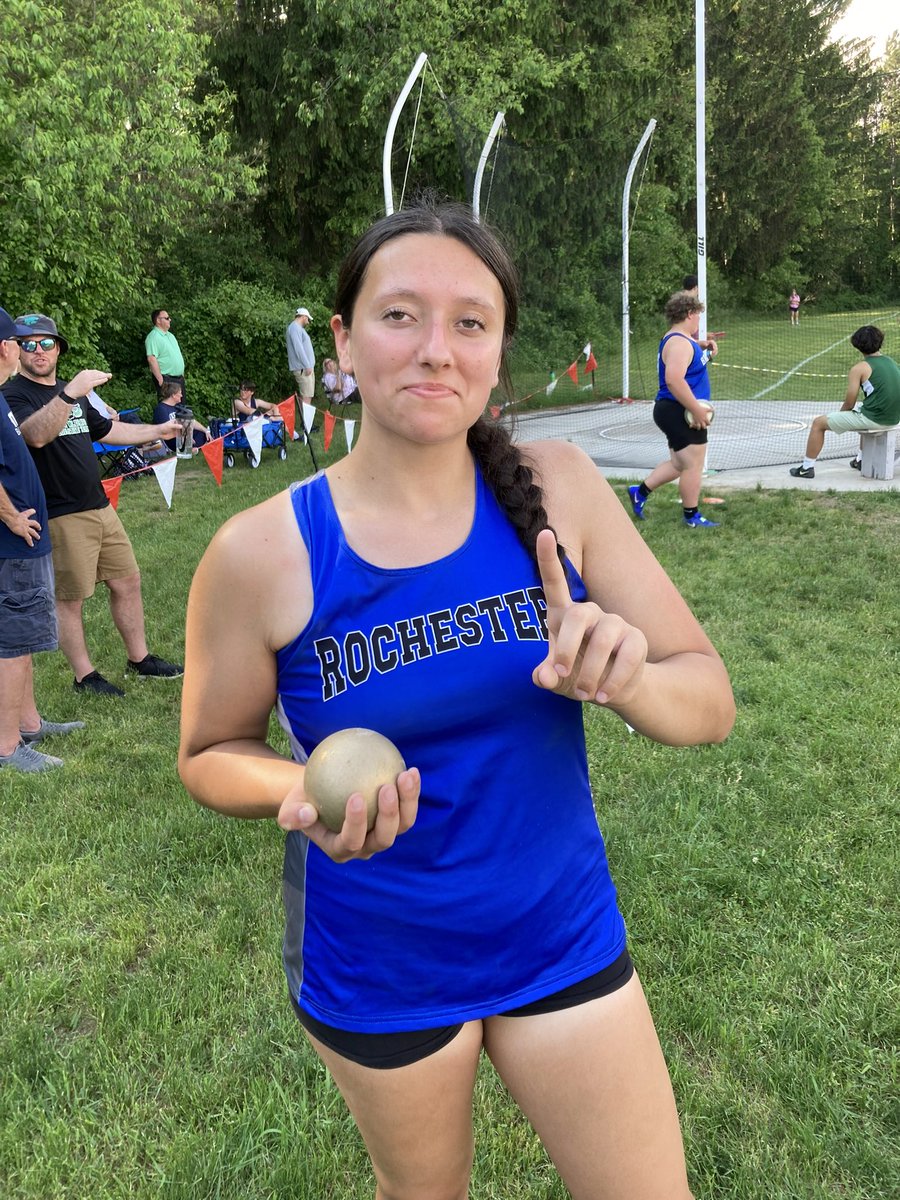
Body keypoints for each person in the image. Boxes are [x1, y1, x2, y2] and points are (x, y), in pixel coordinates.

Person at [179, 202, 735, 1199]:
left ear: (498, 347)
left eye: (470, 323)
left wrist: (630, 679)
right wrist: (294, 789)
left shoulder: (558, 489)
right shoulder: (260, 551)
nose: (436, 350)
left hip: (559, 932)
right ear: (342, 340)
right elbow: (210, 749)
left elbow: (709, 700)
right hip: (381, 963)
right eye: (400, 316)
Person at [6, 314, 183, 697]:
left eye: (46, 343)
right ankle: (84, 677)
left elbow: (107, 430)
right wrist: (69, 394)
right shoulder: (13, 395)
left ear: (59, 349)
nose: (39, 351)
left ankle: (140, 659)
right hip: (59, 512)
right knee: (70, 599)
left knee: (127, 580)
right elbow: (35, 436)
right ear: (16, 351)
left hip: (99, 504)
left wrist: (158, 431)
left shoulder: (76, 393)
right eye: (28, 344)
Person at [0, 308, 84, 772]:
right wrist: (11, 516)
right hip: (12, 543)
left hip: (25, 544)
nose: (28, 349)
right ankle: (8, 747)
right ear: (6, 348)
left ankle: (29, 724)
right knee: (11, 644)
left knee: (24, 638)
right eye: (20, 341)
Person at [628, 291, 720, 528]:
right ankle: (692, 516)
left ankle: (640, 493)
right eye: (698, 315)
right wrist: (696, 410)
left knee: (679, 464)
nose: (699, 321)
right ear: (689, 314)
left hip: (673, 409)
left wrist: (705, 347)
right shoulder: (680, 343)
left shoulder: (680, 339)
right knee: (693, 464)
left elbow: (688, 357)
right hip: (680, 410)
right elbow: (674, 380)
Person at [790, 325, 900, 478]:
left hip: (876, 420)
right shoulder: (891, 362)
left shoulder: (859, 368)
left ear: (858, 345)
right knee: (862, 409)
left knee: (818, 423)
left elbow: (849, 402)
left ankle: (806, 468)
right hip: (894, 418)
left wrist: (839, 418)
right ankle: (860, 460)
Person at [153, 381, 210, 452]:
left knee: (201, 433)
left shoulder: (177, 407)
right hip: (171, 439)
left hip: (182, 434)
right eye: (180, 393)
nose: (181, 395)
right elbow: (166, 430)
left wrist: (206, 430)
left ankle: (196, 446)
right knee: (186, 438)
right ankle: (191, 448)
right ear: (173, 395)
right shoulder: (161, 409)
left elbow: (191, 421)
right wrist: (184, 436)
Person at [145, 309, 187, 399]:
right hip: (167, 379)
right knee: (169, 410)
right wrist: (160, 380)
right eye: (167, 318)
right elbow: (151, 359)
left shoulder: (170, 336)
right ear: (158, 320)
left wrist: (181, 374)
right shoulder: (153, 337)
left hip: (178, 379)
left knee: (181, 410)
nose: (170, 320)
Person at [286, 307, 315, 399]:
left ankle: (305, 414)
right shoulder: (294, 328)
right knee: (307, 396)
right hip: (303, 368)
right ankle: (306, 414)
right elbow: (298, 349)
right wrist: (307, 365)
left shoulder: (298, 328)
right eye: (308, 319)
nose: (308, 321)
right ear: (303, 317)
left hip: (305, 368)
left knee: (307, 395)